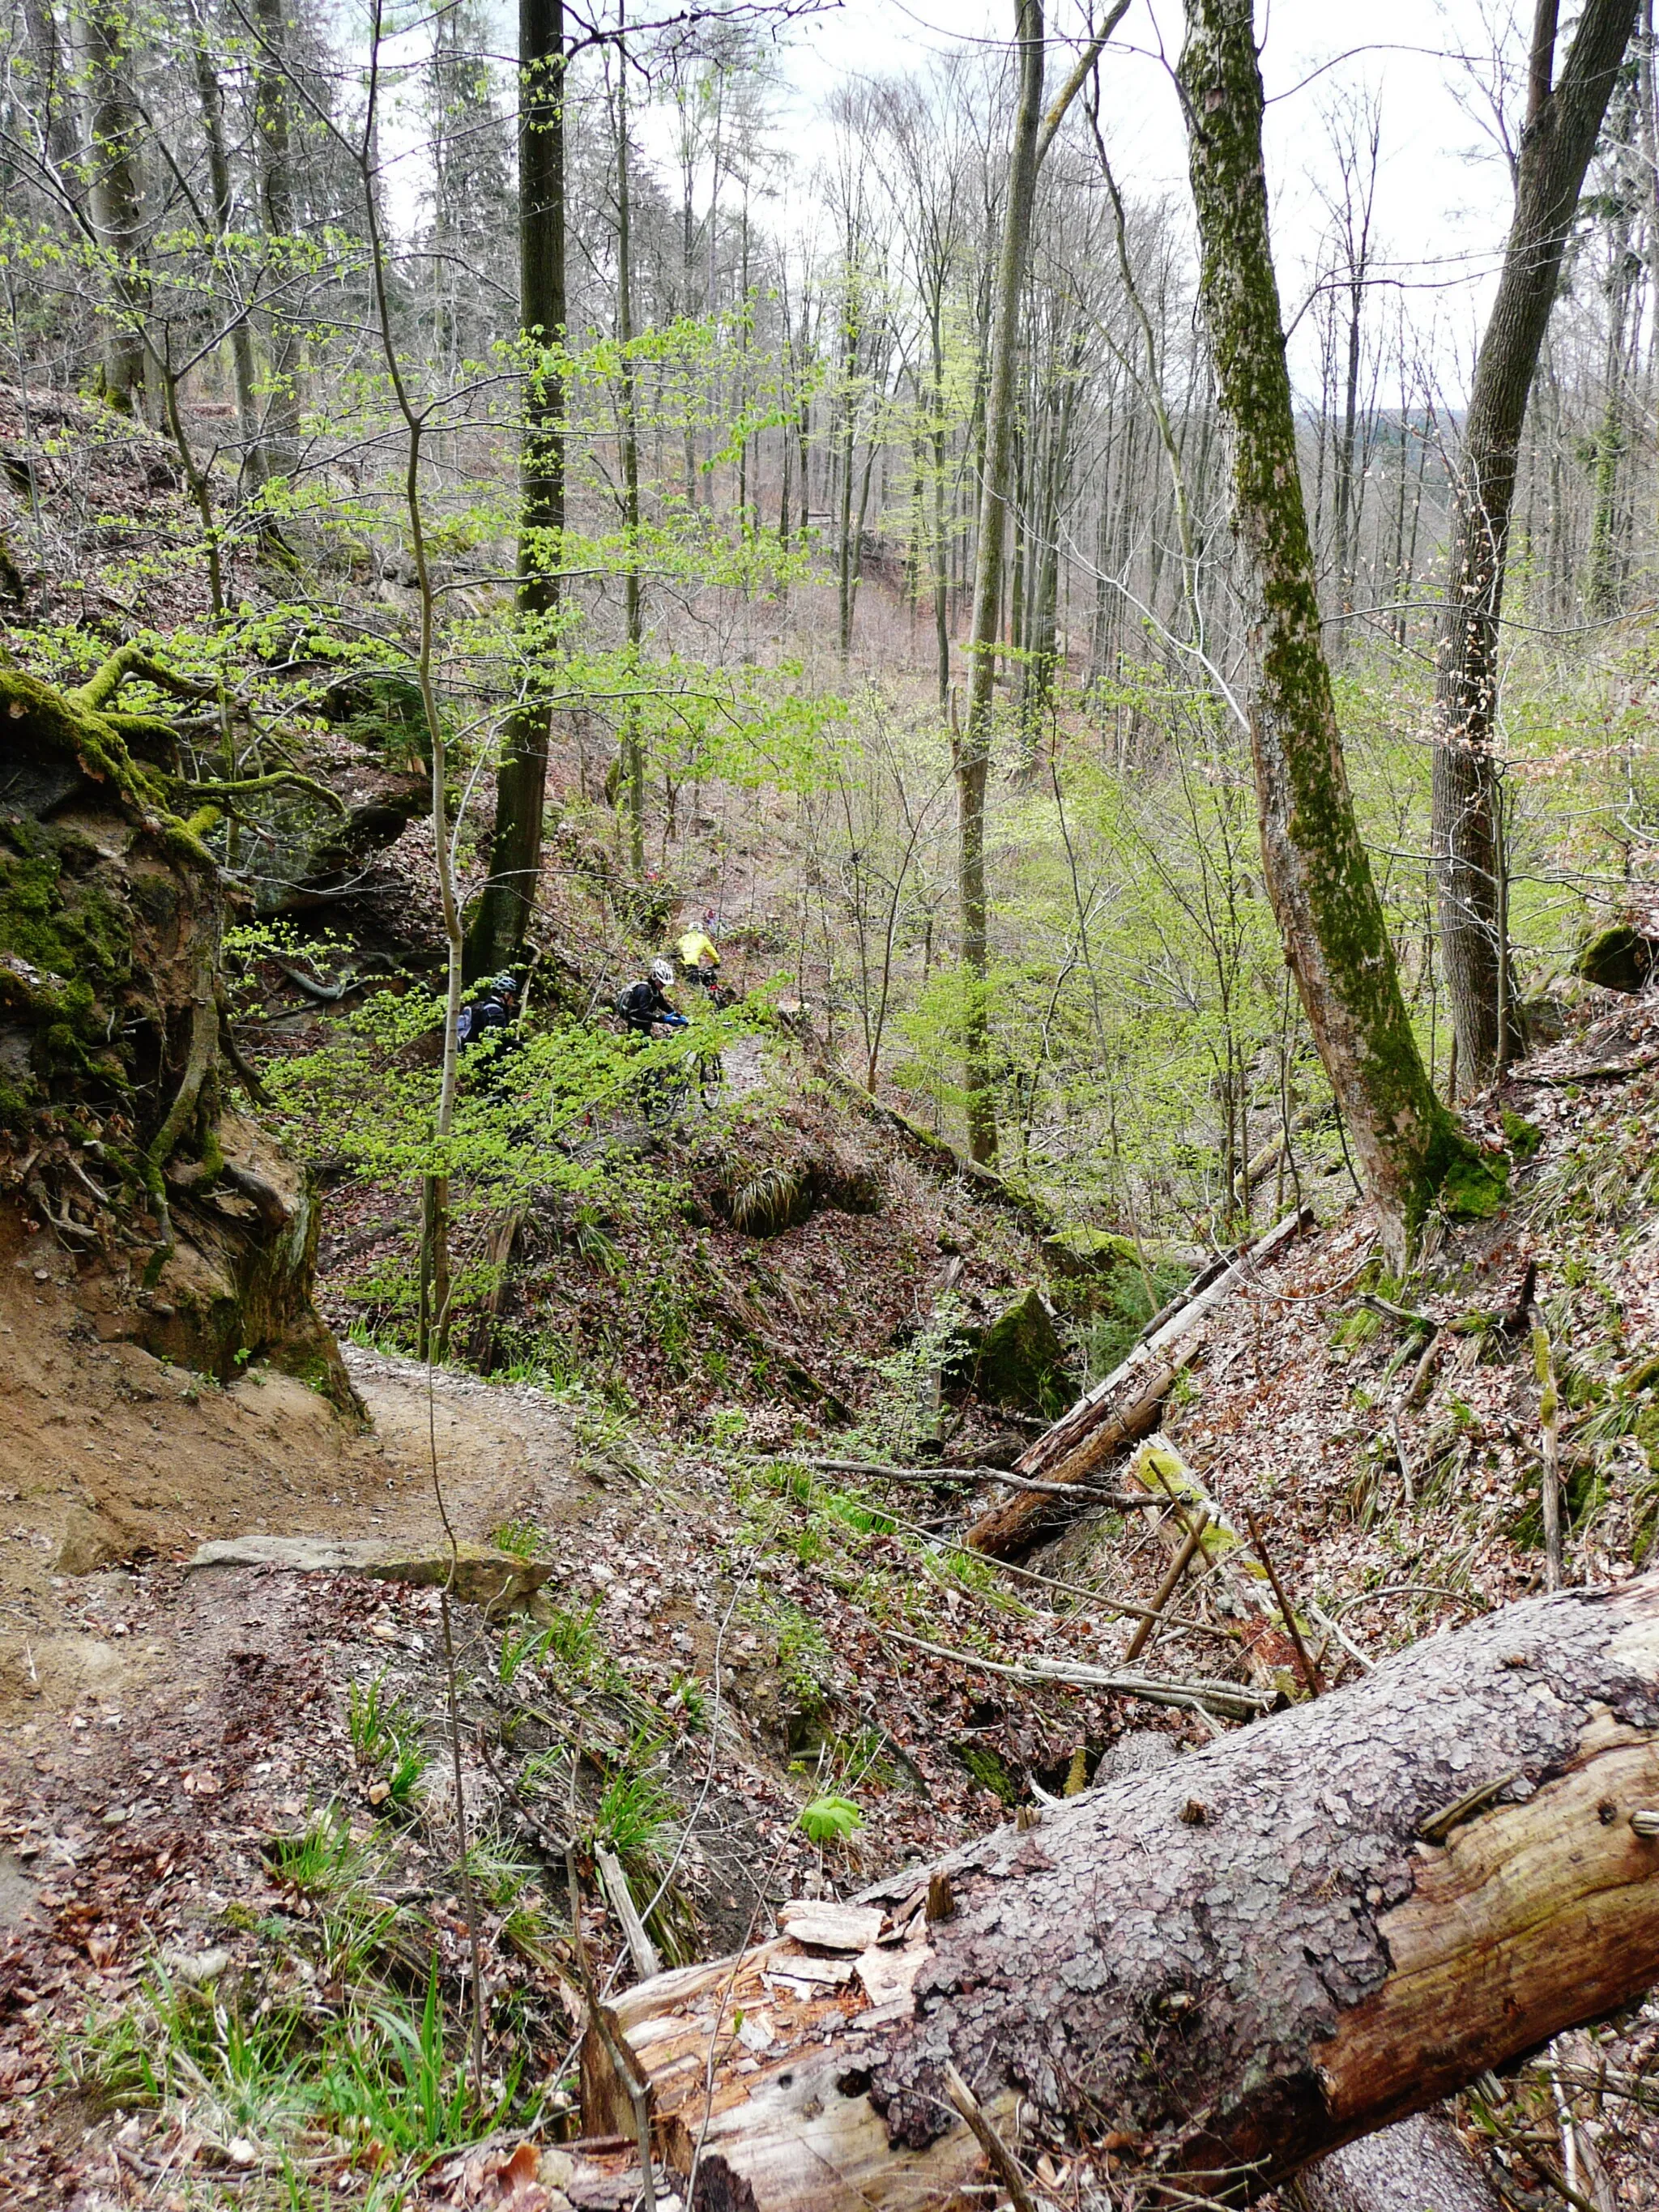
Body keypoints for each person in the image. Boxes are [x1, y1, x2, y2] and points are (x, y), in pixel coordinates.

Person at [616, 957, 687, 1037]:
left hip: (645, 1025)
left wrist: (677, 1015)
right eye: (662, 983)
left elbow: (663, 1005)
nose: (663, 986)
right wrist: (664, 1019)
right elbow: (644, 1013)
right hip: (636, 1027)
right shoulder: (644, 990)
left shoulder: (654, 990)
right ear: (654, 977)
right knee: (647, 1048)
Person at [456, 971, 518, 1049]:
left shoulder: (481, 1005)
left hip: (468, 1049)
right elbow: (498, 1038)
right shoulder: (496, 1013)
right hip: (480, 1053)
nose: (514, 1000)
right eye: (514, 996)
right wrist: (519, 1046)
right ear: (506, 995)